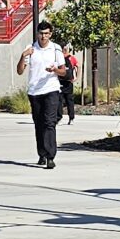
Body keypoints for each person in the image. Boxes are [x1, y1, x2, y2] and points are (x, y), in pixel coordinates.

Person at [16, 24, 73, 169]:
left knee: (49, 122)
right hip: (35, 91)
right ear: (37, 34)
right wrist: (23, 56)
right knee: (39, 123)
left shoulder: (55, 49)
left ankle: (50, 156)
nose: (43, 36)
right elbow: (20, 71)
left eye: (46, 33)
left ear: (51, 34)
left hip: (51, 90)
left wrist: (55, 70)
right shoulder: (31, 49)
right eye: (41, 33)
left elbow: (64, 72)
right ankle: (41, 152)